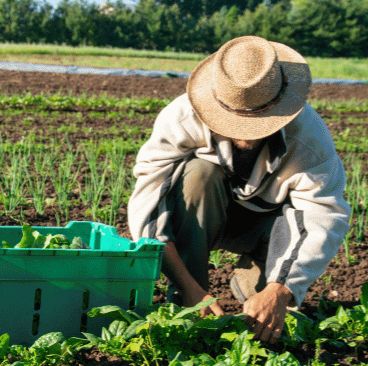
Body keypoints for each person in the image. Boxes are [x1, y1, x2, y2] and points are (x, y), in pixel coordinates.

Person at [127, 35, 350, 344]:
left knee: (265, 315)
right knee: (197, 175)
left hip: (266, 227)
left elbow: (322, 216)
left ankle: (253, 279)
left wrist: (280, 290)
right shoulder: (181, 118)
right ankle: (187, 301)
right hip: (204, 214)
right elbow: (149, 207)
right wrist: (191, 289)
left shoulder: (308, 138)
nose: (246, 138)